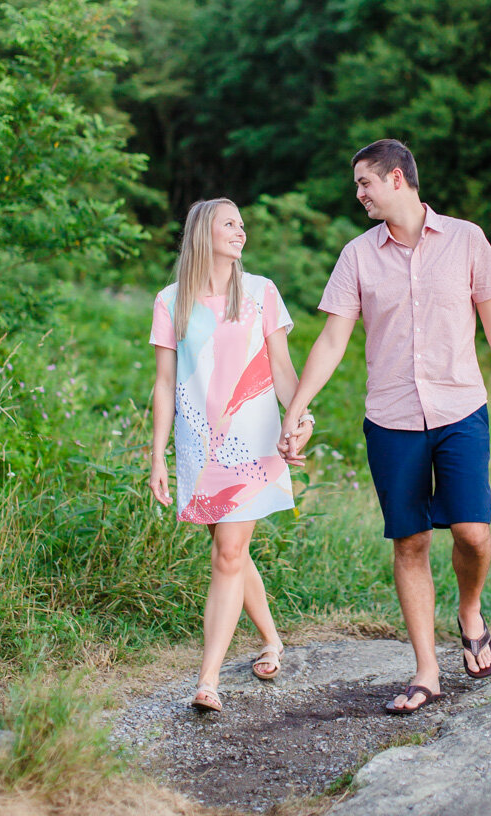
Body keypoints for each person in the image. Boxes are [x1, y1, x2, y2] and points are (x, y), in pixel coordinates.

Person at [278, 139, 491, 715]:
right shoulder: (357, 256)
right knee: (411, 541)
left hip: (460, 410)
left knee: (473, 532)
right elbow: (333, 339)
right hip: (391, 418)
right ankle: (426, 671)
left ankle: (469, 610)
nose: (359, 195)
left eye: (364, 184)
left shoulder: (467, 239)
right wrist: (295, 409)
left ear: (397, 179)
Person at [149, 197, 313, 713]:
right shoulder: (170, 300)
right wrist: (157, 458)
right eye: (230, 223)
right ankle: (271, 640)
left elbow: (284, 370)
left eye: (243, 224)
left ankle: (209, 680)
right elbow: (163, 383)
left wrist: (301, 419)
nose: (241, 231)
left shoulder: (262, 292)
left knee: (227, 554)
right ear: (203, 232)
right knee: (229, 550)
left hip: (255, 443)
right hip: (199, 447)